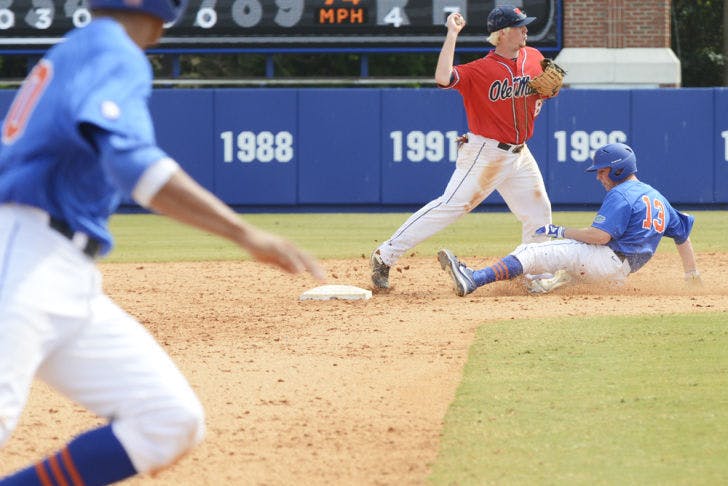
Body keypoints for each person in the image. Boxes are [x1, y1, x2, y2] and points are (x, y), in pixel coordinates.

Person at [0, 0, 325, 483]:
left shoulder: (87, 46)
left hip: (66, 270)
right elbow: (132, 165)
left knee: (167, 420)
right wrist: (244, 232)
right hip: (23, 254)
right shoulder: (114, 49)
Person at [370, 4, 560, 290]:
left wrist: (549, 93)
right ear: (503, 32)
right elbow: (442, 78)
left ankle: (536, 277)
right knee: (451, 205)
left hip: (520, 153)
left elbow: (545, 90)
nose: (526, 30)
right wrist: (452, 34)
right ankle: (385, 255)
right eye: (520, 26)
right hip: (486, 152)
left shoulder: (534, 57)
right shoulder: (480, 70)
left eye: (524, 25)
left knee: (538, 212)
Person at [437, 142, 701, 297]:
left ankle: (473, 278)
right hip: (618, 276)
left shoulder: (622, 194)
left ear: (620, 169)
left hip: (604, 260)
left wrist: (560, 230)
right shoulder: (658, 199)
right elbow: (683, 236)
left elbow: (600, 237)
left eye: (603, 171)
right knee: (557, 272)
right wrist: (692, 275)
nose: (599, 176)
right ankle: (543, 284)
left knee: (531, 250)